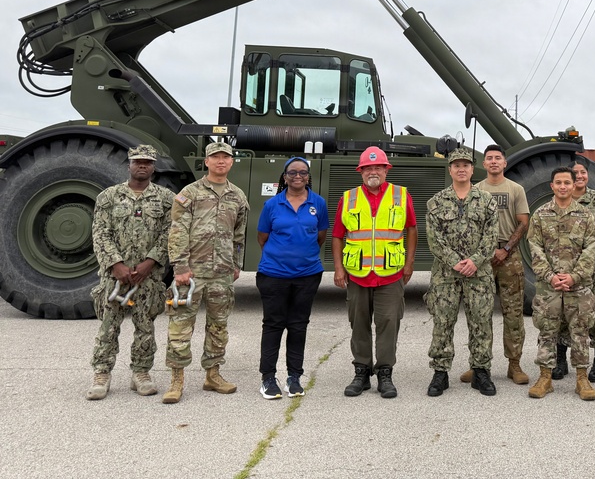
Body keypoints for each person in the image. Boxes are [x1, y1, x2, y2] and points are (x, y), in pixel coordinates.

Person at [86, 145, 175, 400]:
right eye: (138, 161)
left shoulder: (166, 198)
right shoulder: (109, 197)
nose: (142, 166)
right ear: (129, 165)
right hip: (115, 276)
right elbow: (100, 233)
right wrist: (116, 265)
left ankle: (141, 373)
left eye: (147, 162)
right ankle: (102, 374)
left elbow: (169, 233)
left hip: (148, 275)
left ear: (154, 167)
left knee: (145, 326)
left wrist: (150, 263)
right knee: (108, 326)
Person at [162, 141, 249, 404]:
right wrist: (180, 267)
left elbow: (239, 235)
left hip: (222, 272)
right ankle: (176, 381)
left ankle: (213, 375)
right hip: (192, 272)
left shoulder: (237, 196)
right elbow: (177, 231)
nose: (221, 161)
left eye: (226, 157)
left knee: (218, 326)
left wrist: (235, 264)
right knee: (180, 326)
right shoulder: (190, 193)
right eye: (215, 157)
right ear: (207, 162)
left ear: (232, 162)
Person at [332, 146, 417, 399]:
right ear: (361, 171)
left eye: (378, 167)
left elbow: (411, 229)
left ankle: (385, 373)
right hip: (357, 275)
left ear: (386, 170)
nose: (373, 171)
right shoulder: (348, 198)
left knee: (389, 324)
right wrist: (338, 268)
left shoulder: (401, 195)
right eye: (368, 168)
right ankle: (361, 372)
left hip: (390, 275)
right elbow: (338, 235)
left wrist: (409, 263)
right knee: (358, 324)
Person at [424, 147, 499, 397]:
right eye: (457, 165)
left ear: (471, 168)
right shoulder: (436, 202)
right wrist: (456, 261)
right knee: (443, 323)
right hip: (446, 275)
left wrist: (475, 261)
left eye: (466, 165)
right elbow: (434, 240)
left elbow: (491, 237)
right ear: (450, 170)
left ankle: (481, 371)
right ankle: (440, 372)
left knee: (481, 323)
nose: (461, 169)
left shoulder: (486, 200)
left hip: (479, 274)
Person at [255, 157, 328, 400]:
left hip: (307, 275)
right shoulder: (272, 205)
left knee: (298, 326)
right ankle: (267, 378)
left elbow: (320, 236)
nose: (298, 176)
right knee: (273, 325)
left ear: (309, 176)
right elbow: (262, 238)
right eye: (292, 172)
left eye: (303, 172)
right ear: (284, 177)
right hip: (273, 275)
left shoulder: (318, 203)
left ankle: (294, 377)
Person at [526, 166, 595, 401]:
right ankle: (545, 378)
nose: (563, 186)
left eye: (567, 182)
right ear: (552, 186)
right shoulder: (540, 214)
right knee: (547, 331)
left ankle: (581, 379)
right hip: (549, 286)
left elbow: (591, 248)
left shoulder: (586, 215)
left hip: (578, 285)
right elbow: (534, 248)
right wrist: (550, 276)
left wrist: (574, 276)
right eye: (558, 183)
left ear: (573, 184)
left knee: (580, 331)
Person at [458, 144, 530, 386]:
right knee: (480, 313)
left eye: (498, 158)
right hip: (482, 258)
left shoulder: (515, 189)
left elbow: (523, 222)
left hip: (510, 256)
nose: (493, 161)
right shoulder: (475, 189)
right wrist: (484, 253)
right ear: (484, 164)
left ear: (504, 163)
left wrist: (506, 249)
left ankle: (514, 364)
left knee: (513, 314)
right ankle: (478, 364)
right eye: (489, 158)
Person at [563, 160, 595, 383]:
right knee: (564, 312)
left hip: (593, 267)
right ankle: (561, 360)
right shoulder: (561, 200)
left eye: (583, 172)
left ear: (587, 176)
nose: (579, 176)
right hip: (564, 265)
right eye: (575, 173)